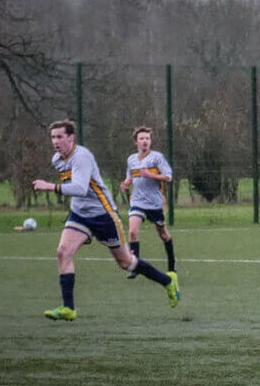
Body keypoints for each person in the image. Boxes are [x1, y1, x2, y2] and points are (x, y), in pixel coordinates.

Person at [32, 119, 179, 319]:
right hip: (80, 214)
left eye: (60, 137)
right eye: (53, 137)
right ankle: (68, 308)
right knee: (63, 252)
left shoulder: (81, 157)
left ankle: (167, 282)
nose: (55, 141)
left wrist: (50, 186)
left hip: (104, 215)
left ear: (71, 138)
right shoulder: (57, 159)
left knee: (126, 262)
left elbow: (80, 188)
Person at [120, 126, 178, 272]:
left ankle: (172, 264)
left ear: (150, 141)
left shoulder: (157, 157)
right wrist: (126, 183)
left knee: (163, 234)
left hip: (154, 203)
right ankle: (135, 267)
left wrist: (151, 175)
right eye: (142, 138)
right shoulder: (131, 159)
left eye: (147, 138)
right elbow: (130, 176)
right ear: (136, 142)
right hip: (137, 201)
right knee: (132, 232)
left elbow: (168, 177)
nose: (145, 141)